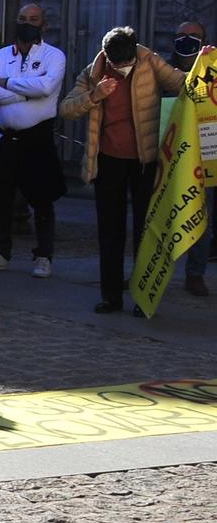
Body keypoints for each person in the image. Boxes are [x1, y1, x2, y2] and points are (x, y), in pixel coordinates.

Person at [58, 25, 185, 314]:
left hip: (145, 159)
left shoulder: (150, 60)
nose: (124, 69)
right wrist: (95, 94)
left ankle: (143, 297)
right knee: (110, 230)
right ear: (107, 56)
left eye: (128, 63)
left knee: (146, 229)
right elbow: (66, 108)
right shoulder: (94, 71)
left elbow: (181, 83)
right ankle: (111, 296)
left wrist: (205, 65)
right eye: (119, 65)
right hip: (108, 159)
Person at [0, 2, 66, 278]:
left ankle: (43, 255)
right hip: (5, 136)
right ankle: (0, 251)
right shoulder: (0, 56)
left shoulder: (54, 56)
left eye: (34, 19)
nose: (27, 23)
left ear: (44, 24)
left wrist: (8, 84)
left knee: (42, 198)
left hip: (37, 136)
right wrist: (26, 93)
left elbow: (47, 87)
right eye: (22, 18)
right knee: (0, 198)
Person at [170, 20, 211, 297]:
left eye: (194, 36)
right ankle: (151, 271)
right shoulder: (162, 72)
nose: (187, 40)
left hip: (206, 156)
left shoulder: (214, 72)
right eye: (181, 35)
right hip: (169, 157)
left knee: (202, 218)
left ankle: (195, 274)